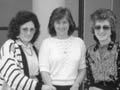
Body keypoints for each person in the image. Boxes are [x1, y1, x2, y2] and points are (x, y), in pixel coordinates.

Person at [38, 7, 86, 90]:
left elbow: (82, 68)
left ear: (70, 23)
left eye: (64, 22)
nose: (61, 26)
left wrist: (76, 85)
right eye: (58, 23)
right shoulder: (46, 43)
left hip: (74, 87)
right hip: (52, 87)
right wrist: (50, 86)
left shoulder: (79, 43)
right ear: (53, 24)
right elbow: (44, 70)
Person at [0, 10, 50, 90]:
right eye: (25, 29)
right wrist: (40, 87)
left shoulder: (34, 49)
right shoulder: (9, 46)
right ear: (17, 29)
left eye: (32, 29)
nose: (29, 33)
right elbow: (13, 76)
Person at [84, 8, 120, 90]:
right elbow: (88, 81)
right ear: (93, 30)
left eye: (105, 27)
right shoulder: (90, 51)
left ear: (111, 30)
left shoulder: (118, 49)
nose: (101, 31)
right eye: (97, 27)